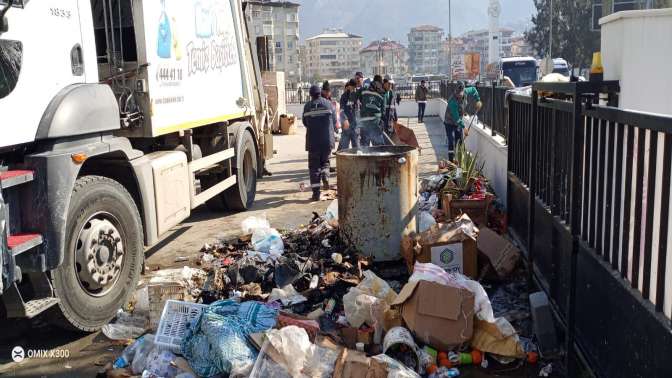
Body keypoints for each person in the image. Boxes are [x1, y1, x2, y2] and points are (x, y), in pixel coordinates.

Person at [303, 85, 336, 200]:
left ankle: (316, 193)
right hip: (327, 141)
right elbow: (335, 120)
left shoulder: (307, 106)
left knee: (314, 167)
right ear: (320, 93)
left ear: (310, 94)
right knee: (326, 162)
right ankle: (326, 176)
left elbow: (304, 122)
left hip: (313, 142)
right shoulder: (328, 104)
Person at [443, 81, 482, 161]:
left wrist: (478, 100)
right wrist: (464, 128)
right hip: (449, 122)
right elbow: (456, 118)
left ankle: (461, 160)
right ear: (455, 91)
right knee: (451, 141)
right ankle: (451, 160)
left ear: (463, 90)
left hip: (458, 122)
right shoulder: (452, 101)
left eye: (461, 93)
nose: (459, 95)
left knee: (460, 141)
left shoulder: (466, 91)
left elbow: (474, 89)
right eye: (458, 93)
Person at [356, 76, 387, 146]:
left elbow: (359, 99)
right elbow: (383, 111)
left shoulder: (364, 90)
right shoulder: (382, 93)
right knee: (378, 147)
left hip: (365, 123)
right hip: (374, 123)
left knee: (364, 147)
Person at [338, 79, 360, 150]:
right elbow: (341, 110)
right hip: (346, 125)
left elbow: (358, 110)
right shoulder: (344, 96)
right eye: (353, 87)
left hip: (355, 125)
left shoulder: (357, 95)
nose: (354, 89)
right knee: (345, 147)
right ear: (349, 86)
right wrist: (345, 119)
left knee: (356, 146)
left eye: (355, 88)